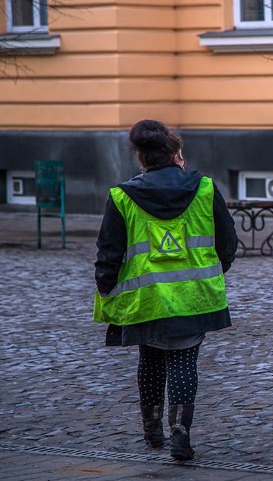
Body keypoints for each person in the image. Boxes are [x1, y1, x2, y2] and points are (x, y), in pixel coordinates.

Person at [94, 119, 238, 460]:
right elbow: (228, 241)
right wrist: (215, 272)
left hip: (146, 299)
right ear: (176, 153)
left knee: (151, 360)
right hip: (195, 296)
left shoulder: (121, 196)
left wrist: (106, 289)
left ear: (140, 157)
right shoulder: (204, 188)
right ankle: (180, 434)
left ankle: (152, 430)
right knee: (185, 360)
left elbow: (108, 253)